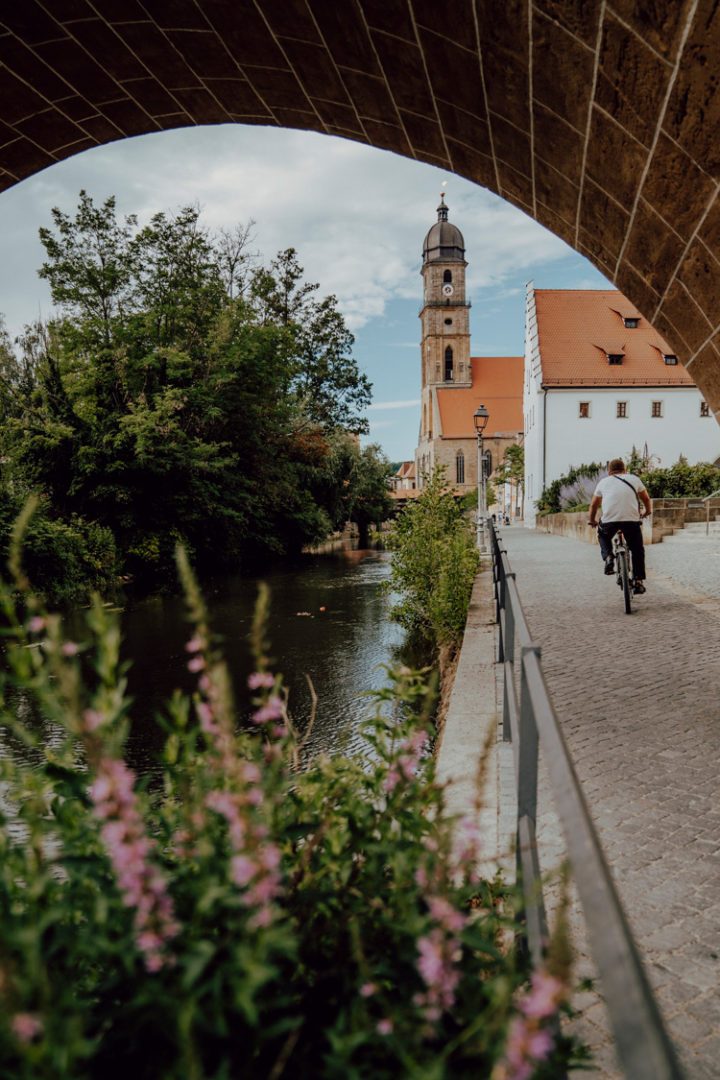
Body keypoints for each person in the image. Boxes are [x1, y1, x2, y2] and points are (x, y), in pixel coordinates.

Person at [588, 458, 652, 594]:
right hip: (631, 520)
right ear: (625, 469)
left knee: (603, 535)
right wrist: (648, 511)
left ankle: (609, 557)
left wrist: (592, 520)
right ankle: (638, 581)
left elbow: (594, 504)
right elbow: (646, 498)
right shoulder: (634, 479)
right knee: (637, 549)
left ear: (609, 471)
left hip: (609, 521)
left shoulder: (603, 482)